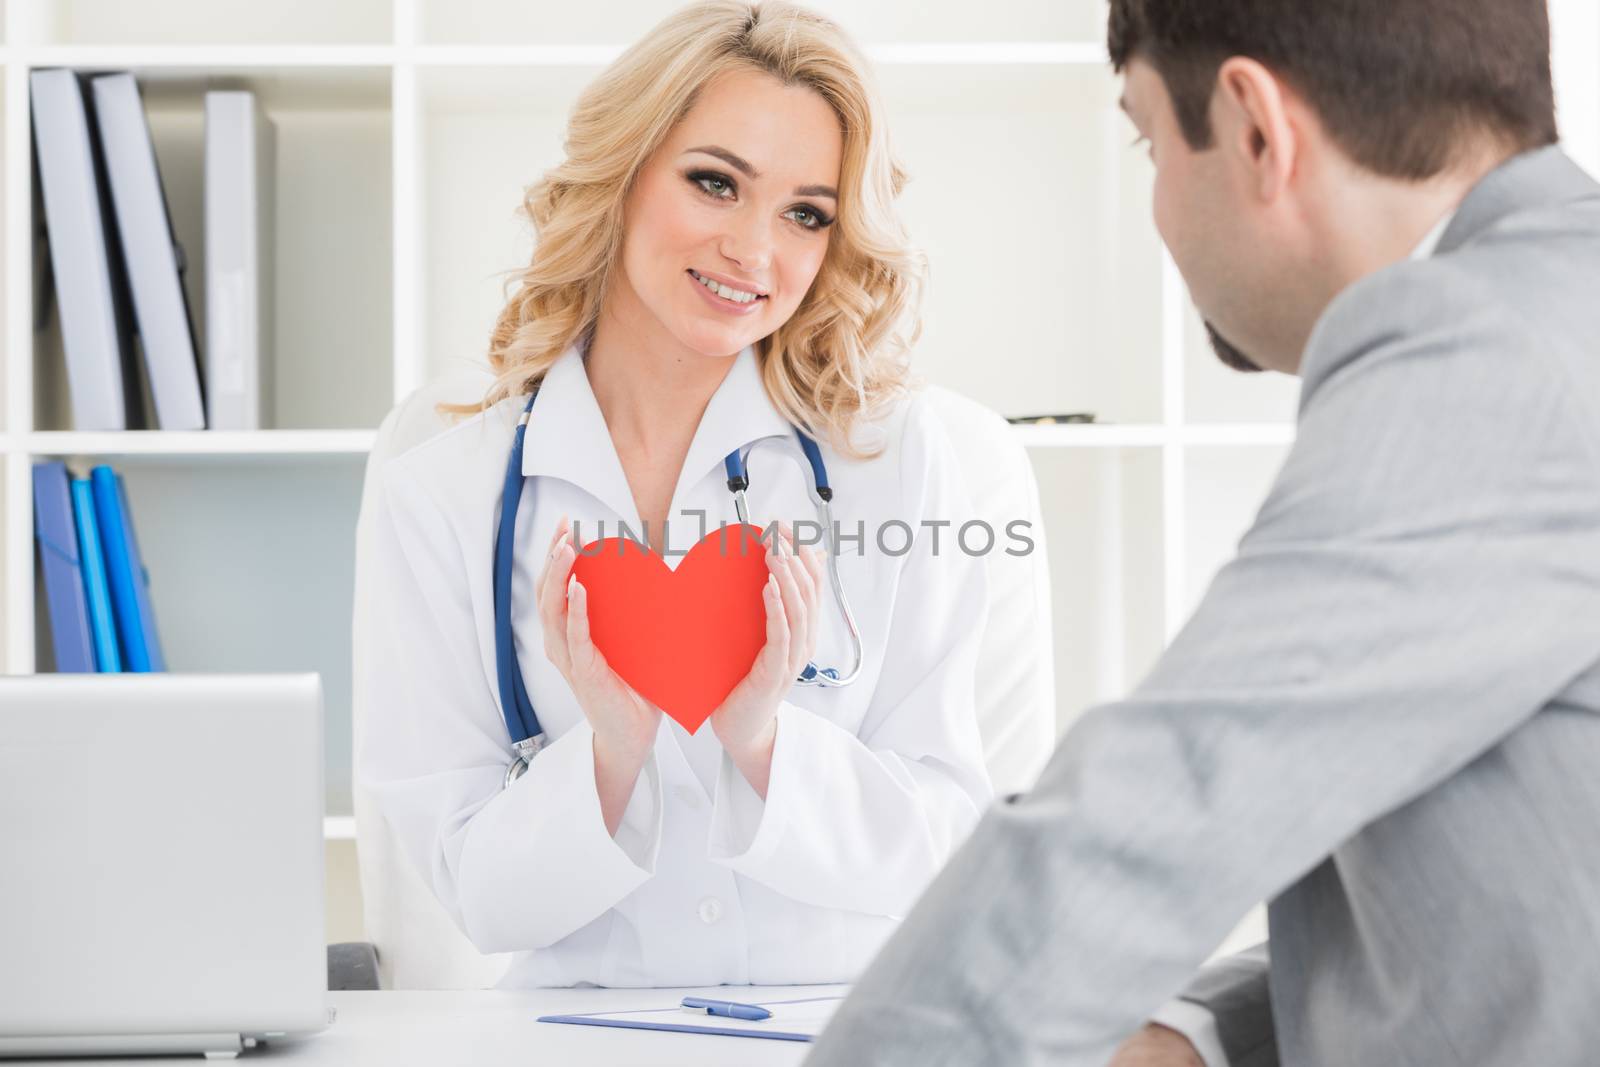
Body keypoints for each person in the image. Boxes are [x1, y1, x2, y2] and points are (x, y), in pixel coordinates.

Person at [807, 0, 1600, 1064]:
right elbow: (1530, 912)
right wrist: (1197, 1031)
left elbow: (1154, 812)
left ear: (1255, 129)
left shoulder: (1483, 351)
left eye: (1145, 141)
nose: (1158, 209)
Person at [356, 1, 994, 988]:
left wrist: (761, 739)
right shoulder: (443, 490)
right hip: (575, 1044)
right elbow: (473, 890)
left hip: (838, 1034)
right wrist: (612, 750)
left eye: (806, 213)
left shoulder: (900, 462)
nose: (754, 250)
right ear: (622, 175)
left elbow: (950, 839)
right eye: (713, 182)